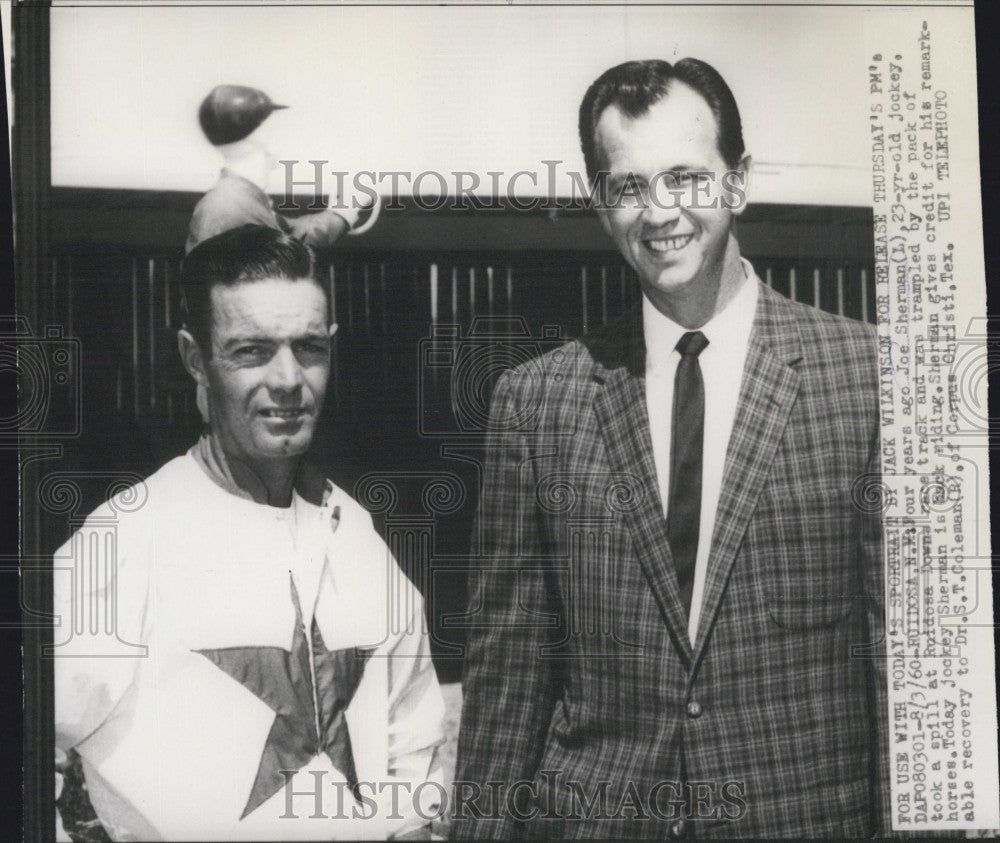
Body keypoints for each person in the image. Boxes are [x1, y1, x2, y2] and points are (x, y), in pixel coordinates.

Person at [453, 58, 889, 838]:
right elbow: (508, 677)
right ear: (600, 203)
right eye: (628, 186)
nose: (660, 212)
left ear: (739, 182)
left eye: (687, 177)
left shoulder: (869, 379)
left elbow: (907, 673)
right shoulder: (536, 404)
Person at [54, 225, 445, 840]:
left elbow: (412, 759)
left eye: (309, 347)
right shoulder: (124, 542)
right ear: (195, 358)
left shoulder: (362, 539)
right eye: (252, 350)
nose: (288, 379)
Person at [186, 85, 377, 255]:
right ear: (258, 137)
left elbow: (292, 238)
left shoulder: (241, 201)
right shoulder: (225, 207)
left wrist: (348, 206)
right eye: (272, 127)